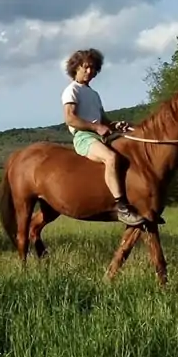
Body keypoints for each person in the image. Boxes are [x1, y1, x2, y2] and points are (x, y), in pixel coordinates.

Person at [60, 48, 146, 226]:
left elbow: (104, 121)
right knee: (111, 158)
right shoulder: (71, 90)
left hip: (99, 136)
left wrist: (116, 125)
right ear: (76, 67)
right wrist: (95, 127)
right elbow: (70, 118)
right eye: (86, 67)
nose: (90, 71)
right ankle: (122, 207)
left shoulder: (94, 94)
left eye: (93, 68)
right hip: (84, 137)